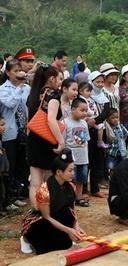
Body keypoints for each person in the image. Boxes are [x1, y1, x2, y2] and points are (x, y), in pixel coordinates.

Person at [20, 149, 86, 254]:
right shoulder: (44, 190)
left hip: (57, 218)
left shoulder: (71, 187)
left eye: (73, 170)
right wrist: (68, 230)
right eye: (70, 170)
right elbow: (46, 217)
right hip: (43, 220)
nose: (73, 173)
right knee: (47, 246)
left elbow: (72, 210)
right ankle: (25, 239)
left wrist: (76, 226)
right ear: (59, 172)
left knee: (66, 219)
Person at [26, 65, 64, 207]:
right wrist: (61, 141)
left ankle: (36, 212)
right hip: (47, 140)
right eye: (58, 78)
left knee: (35, 182)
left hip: (33, 139)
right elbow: (50, 120)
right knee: (48, 181)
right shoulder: (53, 95)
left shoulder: (33, 94)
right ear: (51, 78)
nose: (60, 82)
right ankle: (47, 213)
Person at [0, 59, 30, 209]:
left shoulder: (26, 88)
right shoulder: (3, 89)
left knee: (21, 164)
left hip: (23, 131)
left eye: (20, 70)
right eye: (15, 71)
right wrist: (19, 87)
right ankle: (9, 199)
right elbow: (11, 104)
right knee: (10, 166)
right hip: (9, 132)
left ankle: (18, 193)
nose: (19, 73)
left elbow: (28, 106)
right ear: (7, 72)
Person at [63, 98, 90, 207]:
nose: (84, 113)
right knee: (70, 179)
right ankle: (69, 198)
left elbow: (86, 140)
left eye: (86, 110)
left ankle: (79, 197)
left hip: (83, 157)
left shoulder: (84, 123)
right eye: (82, 110)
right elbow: (62, 141)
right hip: (71, 158)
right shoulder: (65, 123)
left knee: (81, 178)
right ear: (73, 109)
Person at [87, 71, 110, 197]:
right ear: (91, 82)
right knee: (87, 158)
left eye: (102, 82)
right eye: (97, 82)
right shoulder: (87, 96)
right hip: (88, 132)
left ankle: (95, 188)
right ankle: (83, 189)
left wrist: (95, 120)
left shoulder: (104, 97)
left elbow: (105, 113)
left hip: (101, 131)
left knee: (98, 159)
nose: (100, 84)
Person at [105, 108, 128, 174]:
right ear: (107, 119)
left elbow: (126, 134)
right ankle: (112, 180)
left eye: (117, 117)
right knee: (111, 168)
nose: (115, 119)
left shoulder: (120, 126)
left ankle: (119, 180)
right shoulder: (107, 128)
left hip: (121, 152)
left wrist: (122, 141)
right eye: (113, 118)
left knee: (121, 168)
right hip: (111, 152)